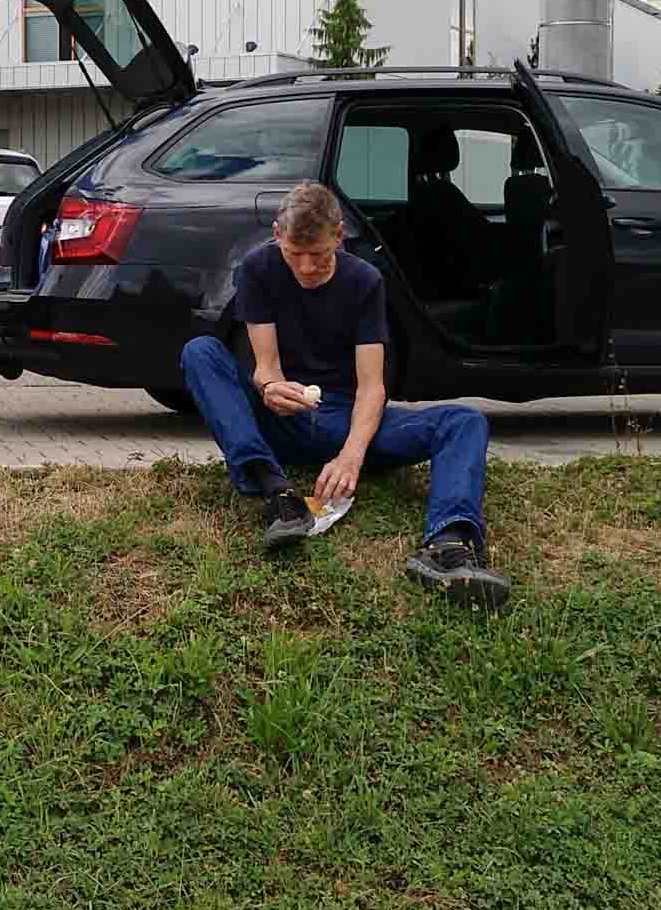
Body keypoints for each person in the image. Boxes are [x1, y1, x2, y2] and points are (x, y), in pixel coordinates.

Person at [178, 182, 510, 607]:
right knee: (200, 352)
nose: (305, 267)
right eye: (294, 254)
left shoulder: (365, 281)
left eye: (318, 254)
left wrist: (351, 455)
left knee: (465, 421)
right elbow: (266, 368)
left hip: (346, 421)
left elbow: (373, 387)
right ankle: (277, 494)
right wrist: (271, 389)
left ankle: (448, 546)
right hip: (284, 419)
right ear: (278, 235)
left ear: (339, 235)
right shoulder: (257, 268)